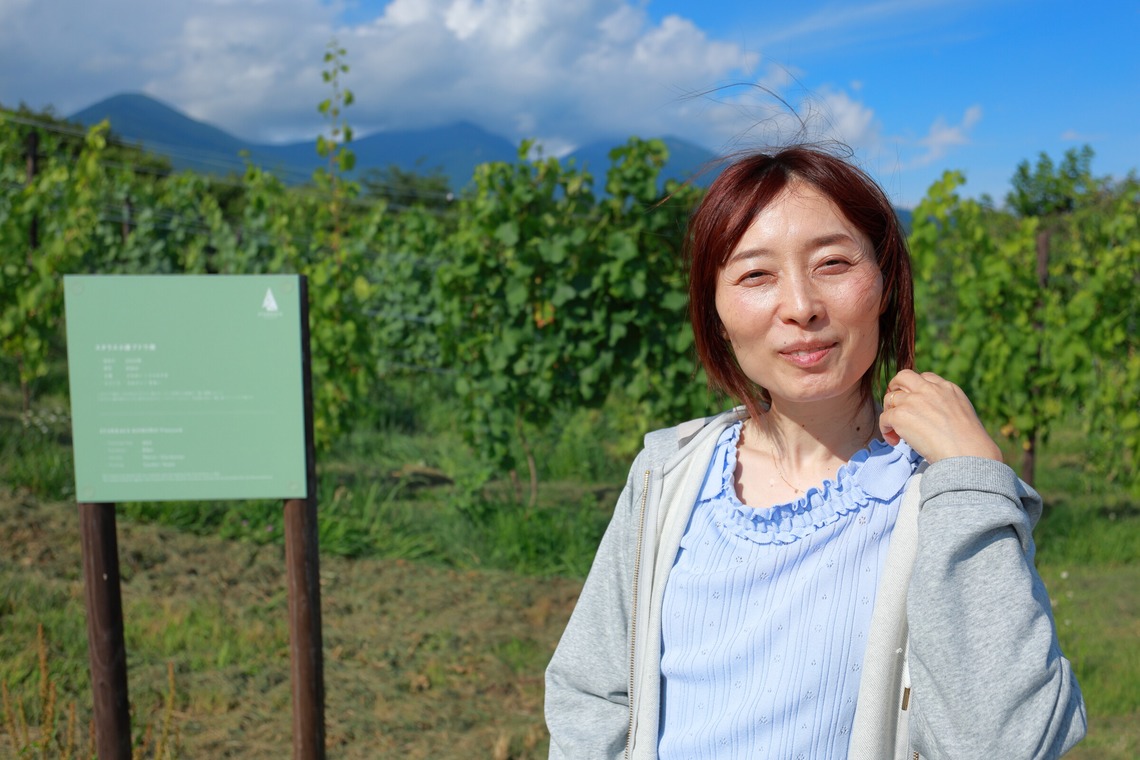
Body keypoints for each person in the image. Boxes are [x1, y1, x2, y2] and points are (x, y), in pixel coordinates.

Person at [544, 146, 1086, 759]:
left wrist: (972, 477)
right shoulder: (668, 479)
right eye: (755, 275)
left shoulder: (938, 503)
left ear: (882, 284)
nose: (801, 307)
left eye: (832, 263)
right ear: (716, 312)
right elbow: (590, 694)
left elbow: (1005, 744)